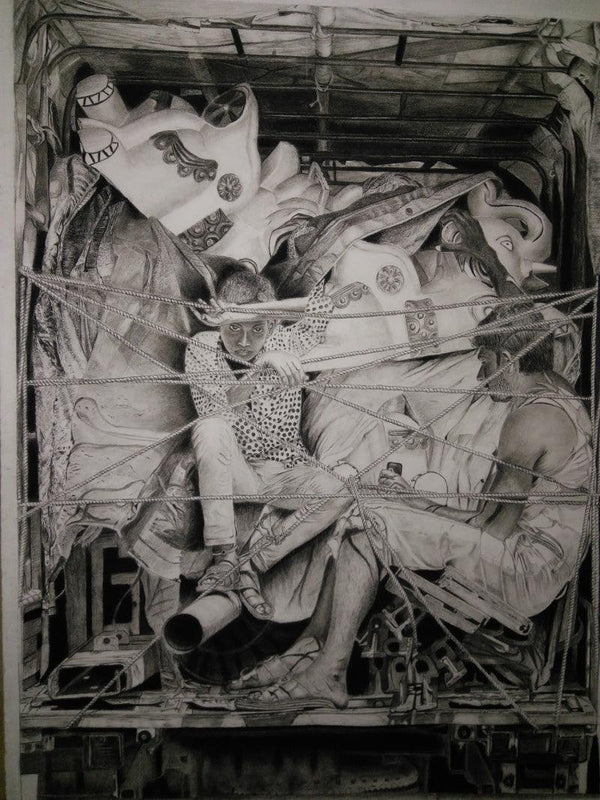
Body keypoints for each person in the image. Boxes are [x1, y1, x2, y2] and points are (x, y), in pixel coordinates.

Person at [235, 301, 592, 709]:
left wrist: (416, 517)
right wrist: (415, 502)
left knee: (371, 526)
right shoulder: (556, 397)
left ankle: (330, 671)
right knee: (365, 508)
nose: (481, 376)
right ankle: (310, 646)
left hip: (526, 569)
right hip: (531, 559)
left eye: (486, 361)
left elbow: (494, 529)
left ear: (509, 360)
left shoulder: (531, 421)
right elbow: (487, 517)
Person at [185, 268, 355, 617]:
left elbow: (326, 305)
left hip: (284, 474)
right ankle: (224, 557)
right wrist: (262, 366)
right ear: (219, 323)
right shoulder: (202, 347)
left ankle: (253, 564)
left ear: (273, 324)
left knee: (342, 489)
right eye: (234, 328)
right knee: (209, 427)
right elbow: (217, 409)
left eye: (257, 329)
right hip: (234, 472)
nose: (244, 341)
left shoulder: (287, 342)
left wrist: (253, 312)